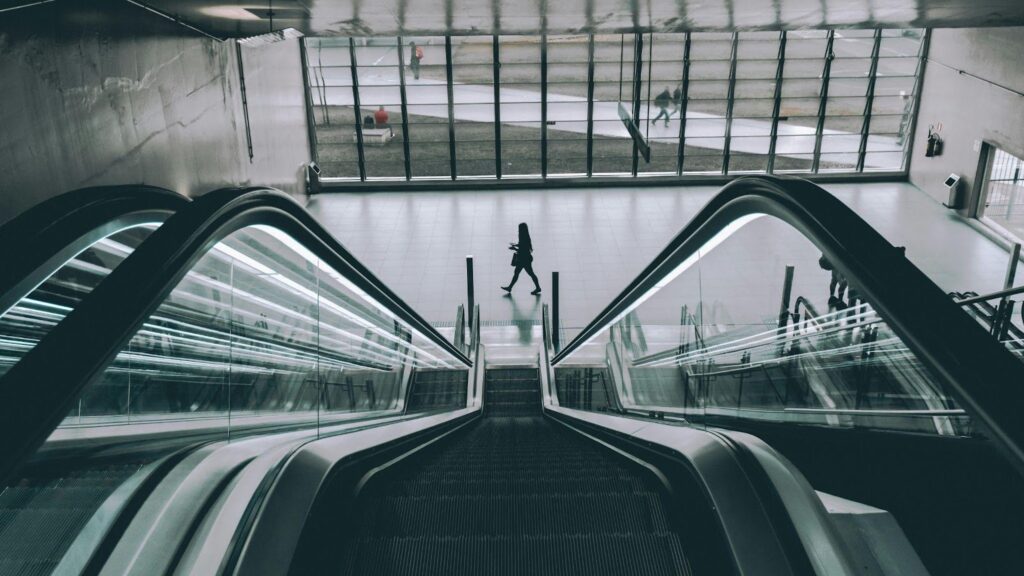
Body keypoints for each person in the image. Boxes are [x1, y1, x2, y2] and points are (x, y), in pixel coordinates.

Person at [502, 222, 541, 295]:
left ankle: (538, 287)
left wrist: (514, 248)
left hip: (524, 259)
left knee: (527, 273)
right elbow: (523, 246)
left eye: (519, 228)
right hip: (525, 258)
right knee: (519, 273)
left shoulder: (522, 236)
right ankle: (510, 287)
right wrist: (515, 245)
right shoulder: (525, 236)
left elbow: (523, 249)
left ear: (521, 229)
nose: (518, 230)